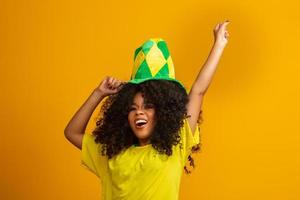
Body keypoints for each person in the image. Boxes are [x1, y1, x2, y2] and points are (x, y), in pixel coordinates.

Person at [64, 20, 230, 200]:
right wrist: (98, 93)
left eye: (148, 107)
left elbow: (198, 90)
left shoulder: (176, 146)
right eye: (132, 108)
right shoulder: (111, 153)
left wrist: (219, 45)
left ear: (163, 113)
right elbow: (72, 132)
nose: (139, 112)